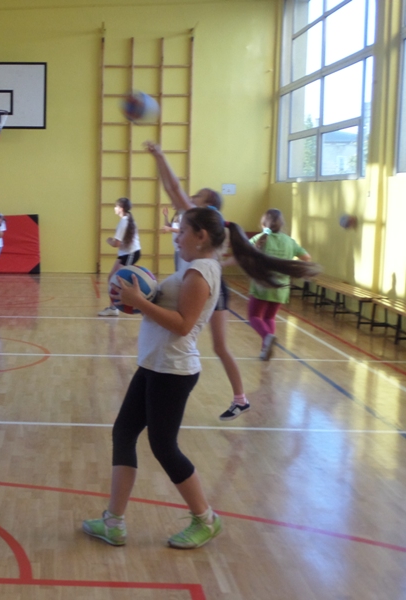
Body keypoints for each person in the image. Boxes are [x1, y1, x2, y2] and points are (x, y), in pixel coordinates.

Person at [82, 206, 319, 549]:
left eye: (181, 232)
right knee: (123, 433)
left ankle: (205, 519)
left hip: (172, 370)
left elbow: (183, 325)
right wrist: (142, 297)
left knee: (164, 447)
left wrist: (139, 302)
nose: (176, 237)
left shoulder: (200, 272)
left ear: (200, 236)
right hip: (155, 365)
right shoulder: (196, 266)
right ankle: (113, 522)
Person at [145, 140, 250, 422]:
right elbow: (171, 189)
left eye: (198, 195)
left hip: (208, 286)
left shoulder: (203, 219)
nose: (192, 196)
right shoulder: (197, 222)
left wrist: (160, 155)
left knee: (216, 344)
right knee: (212, 344)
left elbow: (172, 188)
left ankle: (239, 398)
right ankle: (238, 398)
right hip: (199, 282)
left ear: (208, 205)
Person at [246, 209, 312, 361]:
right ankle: (265, 350)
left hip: (262, 286)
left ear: (263, 223)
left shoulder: (259, 238)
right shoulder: (289, 241)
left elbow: (244, 252)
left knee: (254, 316)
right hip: (281, 287)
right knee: (270, 317)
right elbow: (306, 257)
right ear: (282, 224)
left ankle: (267, 337)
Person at [98, 197, 141, 316]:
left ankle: (119, 306)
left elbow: (116, 243)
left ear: (121, 208)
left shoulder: (124, 222)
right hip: (124, 254)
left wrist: (109, 241)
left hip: (131, 253)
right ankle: (113, 307)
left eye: (116, 206)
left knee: (116, 279)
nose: (115, 208)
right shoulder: (126, 219)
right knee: (111, 278)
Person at [162, 206, 182, 271]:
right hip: (177, 248)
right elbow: (169, 226)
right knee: (177, 270)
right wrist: (166, 216)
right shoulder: (176, 215)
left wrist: (170, 229)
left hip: (182, 248)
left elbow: (182, 230)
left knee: (179, 270)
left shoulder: (182, 215)